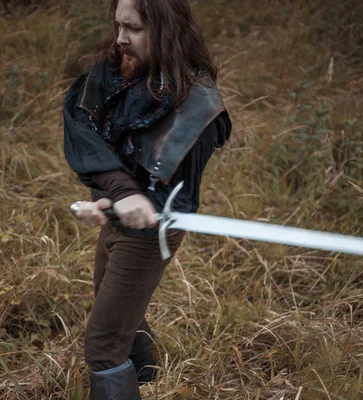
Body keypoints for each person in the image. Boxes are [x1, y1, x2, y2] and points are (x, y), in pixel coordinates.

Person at [62, 0, 231, 398]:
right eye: (118, 25)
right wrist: (114, 195)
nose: (120, 38)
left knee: (103, 345)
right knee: (111, 299)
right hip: (119, 219)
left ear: (166, 30)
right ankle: (146, 376)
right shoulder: (112, 73)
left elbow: (177, 198)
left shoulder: (198, 107)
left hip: (151, 234)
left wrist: (139, 201)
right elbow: (81, 127)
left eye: (133, 29)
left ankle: (121, 372)